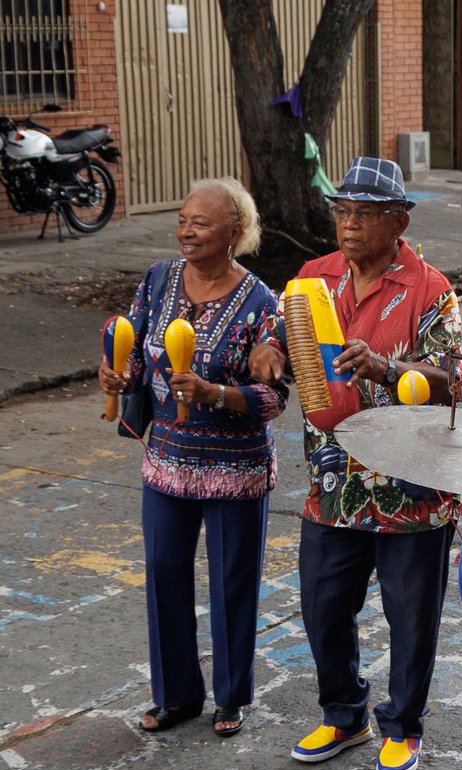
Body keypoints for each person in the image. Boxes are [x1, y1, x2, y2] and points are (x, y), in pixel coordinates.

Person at [249, 157, 462, 770]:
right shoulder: (312, 277)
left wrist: (391, 370)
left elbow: (453, 384)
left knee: (409, 614)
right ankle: (345, 715)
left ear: (399, 221)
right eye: (343, 211)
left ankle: (403, 726)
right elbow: (281, 333)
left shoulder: (430, 288)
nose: (349, 224)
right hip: (334, 477)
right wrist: (269, 347)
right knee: (321, 603)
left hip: (410, 482)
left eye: (364, 215)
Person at [97, 178, 286, 738]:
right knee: (164, 574)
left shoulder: (262, 305)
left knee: (231, 583)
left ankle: (230, 698)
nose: (186, 230)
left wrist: (216, 394)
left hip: (235, 468)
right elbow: (135, 358)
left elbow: (274, 398)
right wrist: (114, 373)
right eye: (182, 220)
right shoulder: (157, 281)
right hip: (168, 461)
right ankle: (176, 695)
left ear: (236, 232)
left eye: (200, 223)